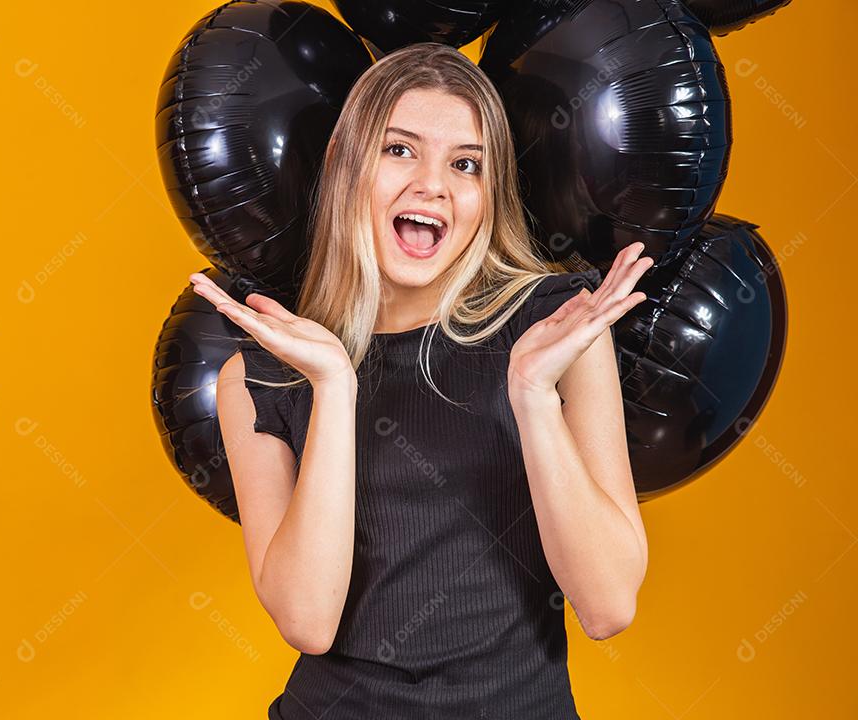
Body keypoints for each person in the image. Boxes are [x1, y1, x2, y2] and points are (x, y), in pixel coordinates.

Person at [188, 42, 651, 720]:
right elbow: (308, 621)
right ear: (344, 164)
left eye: (466, 164)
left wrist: (532, 397)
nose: (433, 185)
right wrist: (335, 388)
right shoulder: (263, 376)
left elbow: (608, 606)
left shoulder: (558, 328)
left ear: (487, 196)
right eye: (399, 149)